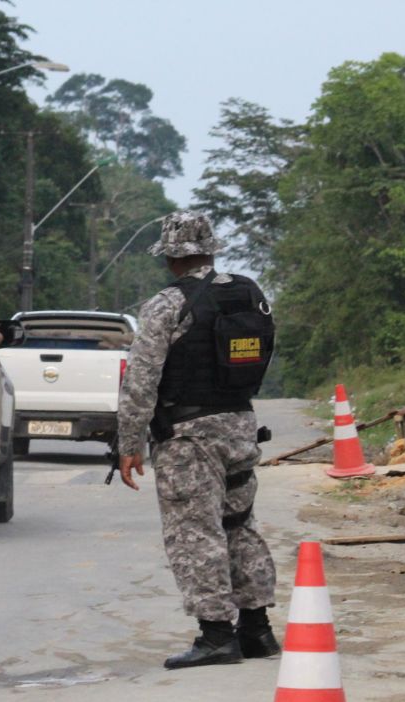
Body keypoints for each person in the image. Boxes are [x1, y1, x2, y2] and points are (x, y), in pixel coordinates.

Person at [116, 210, 281, 669]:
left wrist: (129, 442)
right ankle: (257, 630)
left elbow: (141, 380)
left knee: (194, 531)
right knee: (238, 523)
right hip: (241, 426)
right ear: (211, 248)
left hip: (188, 437)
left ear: (171, 257)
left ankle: (215, 636)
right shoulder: (251, 294)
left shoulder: (167, 304)